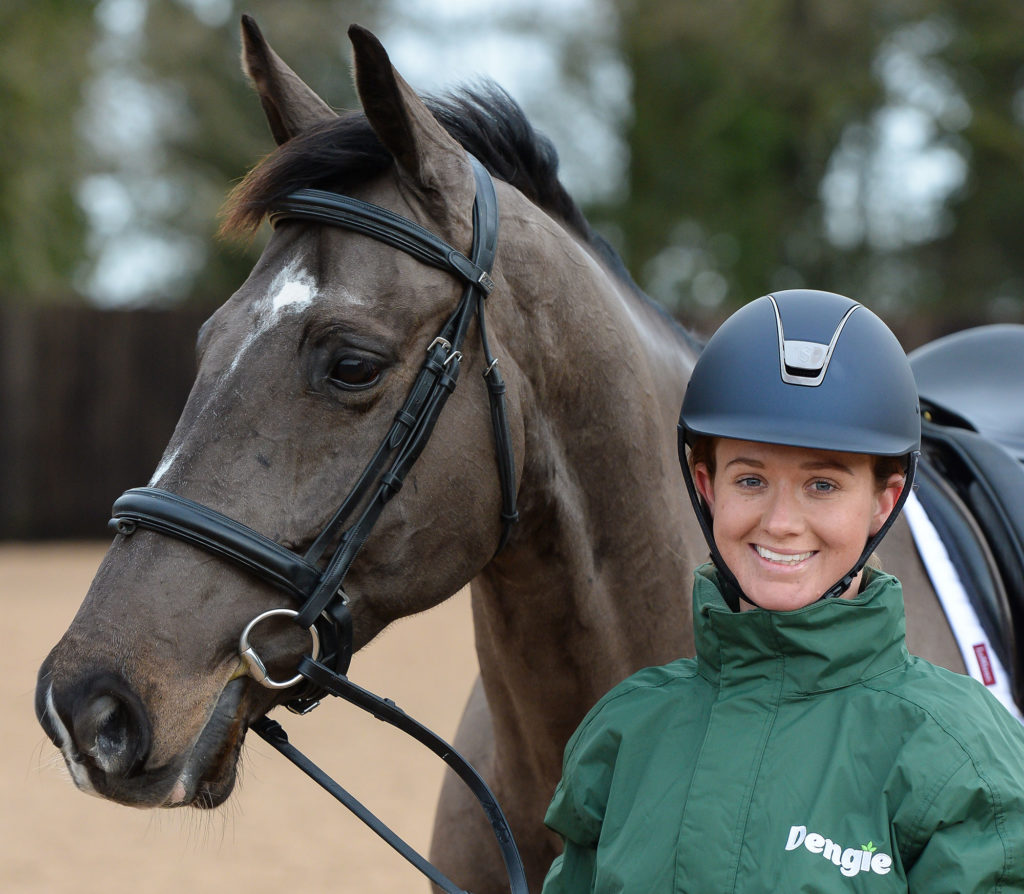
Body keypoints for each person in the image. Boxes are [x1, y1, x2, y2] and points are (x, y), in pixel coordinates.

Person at [540, 289, 1024, 893]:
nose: (781, 522)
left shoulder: (964, 759)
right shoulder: (622, 735)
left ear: (884, 501)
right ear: (706, 485)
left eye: (822, 484)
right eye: (750, 479)